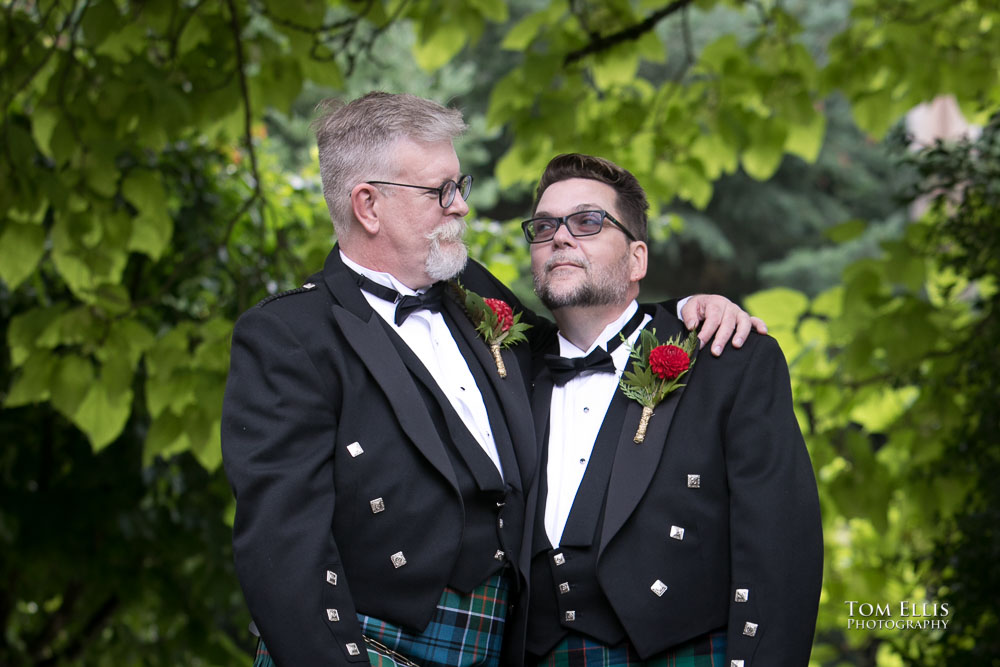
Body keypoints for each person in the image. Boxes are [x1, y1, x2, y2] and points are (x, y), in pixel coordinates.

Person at [221, 92, 761, 667]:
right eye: (439, 192)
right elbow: (282, 548)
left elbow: (587, 330)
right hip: (365, 645)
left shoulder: (472, 296)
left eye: (462, 186)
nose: (460, 208)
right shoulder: (289, 334)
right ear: (368, 206)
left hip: (496, 644)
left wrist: (684, 314)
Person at [522, 154, 823, 666]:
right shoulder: (506, 367)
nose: (560, 237)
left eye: (588, 221)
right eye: (544, 226)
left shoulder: (728, 360)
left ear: (637, 260)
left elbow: (781, 550)